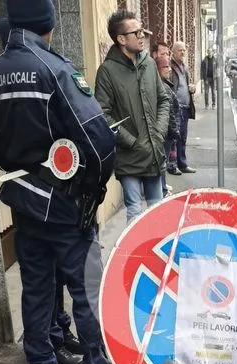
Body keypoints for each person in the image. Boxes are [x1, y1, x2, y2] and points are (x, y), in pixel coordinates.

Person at [0, 0, 135, 364]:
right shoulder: (55, 70)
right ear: (47, 23)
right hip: (66, 207)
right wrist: (92, 189)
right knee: (87, 295)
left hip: (24, 206)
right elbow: (98, 140)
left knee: (37, 291)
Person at [0, 17, 84, 364]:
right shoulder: (50, 70)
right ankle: (49, 344)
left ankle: (56, 337)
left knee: (45, 276)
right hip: (51, 191)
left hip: (22, 194)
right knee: (46, 278)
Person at [95, 11, 170, 223]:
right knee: (135, 214)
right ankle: (135, 257)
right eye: (136, 32)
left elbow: (163, 100)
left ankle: (158, 256)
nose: (141, 36)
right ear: (121, 39)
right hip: (129, 157)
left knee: (157, 211)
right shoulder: (107, 71)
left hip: (154, 152)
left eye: (142, 31)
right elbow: (102, 115)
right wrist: (132, 142)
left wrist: (159, 132)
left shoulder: (148, 65)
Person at [156, 53, 182, 197]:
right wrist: (175, 131)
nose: (169, 70)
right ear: (158, 68)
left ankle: (163, 187)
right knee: (162, 163)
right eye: (166, 67)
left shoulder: (163, 85)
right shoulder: (163, 87)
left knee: (162, 163)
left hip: (164, 132)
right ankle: (162, 191)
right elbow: (170, 113)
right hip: (164, 133)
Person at [170, 41, 197, 174]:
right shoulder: (170, 67)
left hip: (185, 107)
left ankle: (183, 164)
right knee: (175, 137)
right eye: (180, 50)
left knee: (183, 137)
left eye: (184, 50)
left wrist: (191, 88)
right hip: (176, 107)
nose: (183, 52)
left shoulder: (184, 67)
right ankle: (173, 165)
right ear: (173, 52)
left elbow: (184, 85)